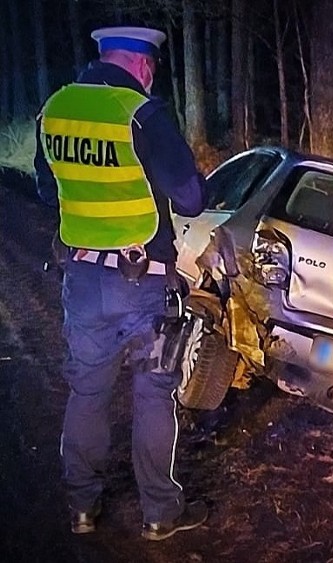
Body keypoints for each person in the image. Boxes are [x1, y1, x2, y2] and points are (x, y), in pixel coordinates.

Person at [34, 26, 209, 541]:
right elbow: (193, 200)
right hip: (143, 284)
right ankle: (159, 514)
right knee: (154, 393)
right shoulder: (142, 113)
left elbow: (49, 193)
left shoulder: (55, 110)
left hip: (82, 281)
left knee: (87, 392)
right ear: (144, 66)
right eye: (151, 71)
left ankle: (82, 509)